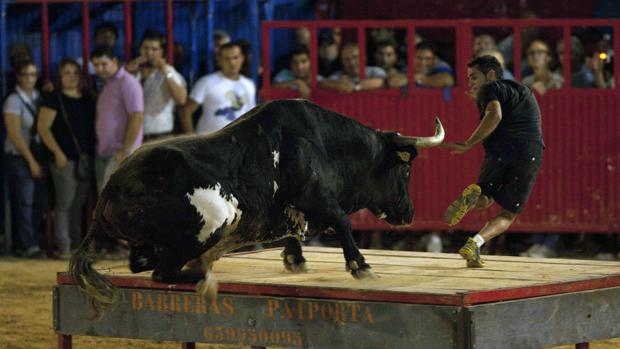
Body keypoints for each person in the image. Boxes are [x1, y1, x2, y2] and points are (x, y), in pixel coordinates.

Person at [442, 55, 544, 268]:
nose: (470, 83)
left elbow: (495, 115)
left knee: (485, 197)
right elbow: (503, 112)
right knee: (508, 214)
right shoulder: (523, 90)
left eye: (473, 77)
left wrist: (467, 144)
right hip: (527, 151)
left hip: (499, 150)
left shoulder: (489, 89)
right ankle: (475, 244)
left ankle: (475, 197)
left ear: (490, 75)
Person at [37, 59, 96, 259]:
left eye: (74, 73)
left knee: (78, 204)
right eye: (66, 73)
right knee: (64, 203)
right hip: (64, 160)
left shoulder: (88, 99)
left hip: (84, 160)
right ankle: (64, 246)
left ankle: (76, 244)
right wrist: (57, 152)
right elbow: (43, 128)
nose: (71, 77)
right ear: (59, 78)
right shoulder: (54, 99)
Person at [2, 59, 46, 258]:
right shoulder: (13, 101)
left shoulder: (37, 96)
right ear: (18, 78)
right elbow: (14, 134)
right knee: (25, 201)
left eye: (33, 74)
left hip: (35, 155)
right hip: (19, 157)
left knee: (38, 201)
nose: (30, 78)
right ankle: (27, 245)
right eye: (26, 75)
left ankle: (31, 241)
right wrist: (31, 161)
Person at [91, 45, 144, 193]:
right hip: (106, 153)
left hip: (120, 154)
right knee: (106, 204)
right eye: (96, 65)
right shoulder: (108, 84)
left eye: (103, 64)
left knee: (115, 205)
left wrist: (126, 151)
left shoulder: (127, 82)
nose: (100, 69)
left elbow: (137, 117)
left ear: (114, 61)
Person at [180, 41, 256, 135]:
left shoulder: (249, 84)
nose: (232, 62)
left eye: (235, 58)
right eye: (227, 59)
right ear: (219, 61)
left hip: (238, 143)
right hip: (208, 143)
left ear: (242, 58)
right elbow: (185, 111)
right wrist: (191, 137)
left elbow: (251, 115)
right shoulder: (206, 82)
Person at [125, 29, 187, 142]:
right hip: (133, 137)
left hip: (160, 136)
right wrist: (128, 73)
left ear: (161, 52)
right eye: (145, 48)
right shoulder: (133, 72)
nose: (149, 53)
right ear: (140, 49)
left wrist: (164, 71)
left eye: (154, 49)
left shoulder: (169, 71)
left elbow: (181, 100)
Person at [318, 42, 387, 93]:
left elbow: (382, 81)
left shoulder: (374, 71)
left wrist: (355, 86)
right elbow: (322, 82)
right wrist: (337, 84)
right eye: (347, 59)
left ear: (364, 57)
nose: (352, 63)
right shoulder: (339, 75)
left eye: (355, 57)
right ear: (342, 62)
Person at [388, 41, 454, 88]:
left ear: (434, 60)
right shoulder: (407, 69)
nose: (423, 62)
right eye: (419, 58)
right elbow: (393, 82)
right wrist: (416, 77)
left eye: (428, 59)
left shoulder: (440, 68)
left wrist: (419, 80)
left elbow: (448, 80)